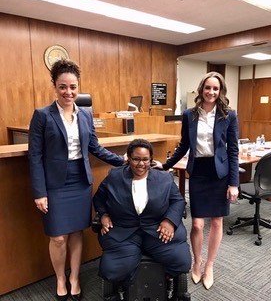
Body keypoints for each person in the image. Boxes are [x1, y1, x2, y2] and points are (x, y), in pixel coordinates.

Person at [28, 59, 124, 301]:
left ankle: (75, 277)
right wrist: (39, 192)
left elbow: (94, 146)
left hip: (80, 181)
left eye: (73, 87)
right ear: (54, 86)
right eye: (63, 87)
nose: (68, 92)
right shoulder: (42, 115)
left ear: (78, 86)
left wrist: (123, 161)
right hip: (54, 184)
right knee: (58, 237)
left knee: (77, 233)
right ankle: (60, 277)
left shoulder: (86, 114)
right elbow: (35, 157)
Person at [155, 72, 239, 290]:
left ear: (220, 92)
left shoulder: (228, 115)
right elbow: (184, 145)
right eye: (208, 88)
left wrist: (234, 183)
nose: (211, 92)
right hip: (199, 172)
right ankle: (196, 261)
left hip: (220, 173)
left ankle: (209, 265)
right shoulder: (189, 115)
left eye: (216, 89)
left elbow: (233, 151)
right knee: (198, 224)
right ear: (201, 89)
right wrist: (165, 165)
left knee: (217, 222)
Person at [93, 139, 191, 300]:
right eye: (136, 159)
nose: (141, 164)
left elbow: (178, 201)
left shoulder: (164, 178)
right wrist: (103, 215)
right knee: (112, 268)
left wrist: (169, 221)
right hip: (124, 231)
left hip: (157, 229)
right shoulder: (115, 176)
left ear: (151, 160)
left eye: (145, 159)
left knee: (180, 260)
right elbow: (99, 198)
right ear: (128, 159)